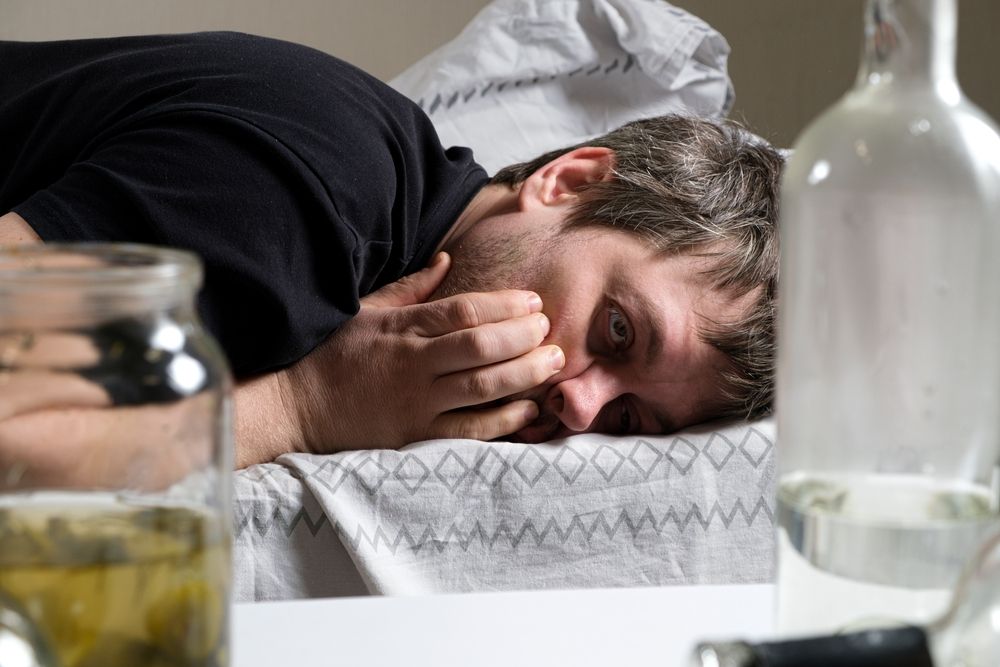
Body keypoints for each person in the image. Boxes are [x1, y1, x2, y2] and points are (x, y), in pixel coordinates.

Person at [0, 32, 783, 469]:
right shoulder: (306, 195)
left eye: (630, 417)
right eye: (617, 329)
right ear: (567, 181)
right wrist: (302, 405)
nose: (581, 407)